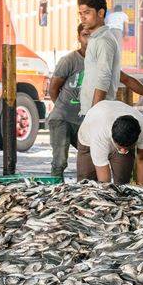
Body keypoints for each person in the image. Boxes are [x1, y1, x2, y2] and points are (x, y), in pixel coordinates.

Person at [77, 0, 143, 116]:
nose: (82, 18)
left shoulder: (103, 41)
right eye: (80, 14)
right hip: (94, 112)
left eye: (87, 13)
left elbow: (103, 78)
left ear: (101, 13)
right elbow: (124, 78)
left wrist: (94, 114)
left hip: (97, 113)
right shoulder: (95, 39)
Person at [46, 24, 89, 178]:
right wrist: (64, 109)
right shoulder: (69, 60)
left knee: (90, 157)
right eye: (85, 35)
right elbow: (53, 89)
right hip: (62, 118)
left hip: (84, 121)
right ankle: (55, 192)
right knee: (60, 161)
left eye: (92, 35)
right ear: (79, 37)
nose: (88, 39)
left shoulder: (100, 61)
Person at [75, 100, 143, 186]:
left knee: (123, 182)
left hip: (111, 119)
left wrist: (142, 190)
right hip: (89, 136)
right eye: (120, 147)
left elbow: (142, 159)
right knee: (86, 182)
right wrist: (107, 196)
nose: (123, 151)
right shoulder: (99, 134)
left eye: (127, 148)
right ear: (112, 137)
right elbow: (104, 181)